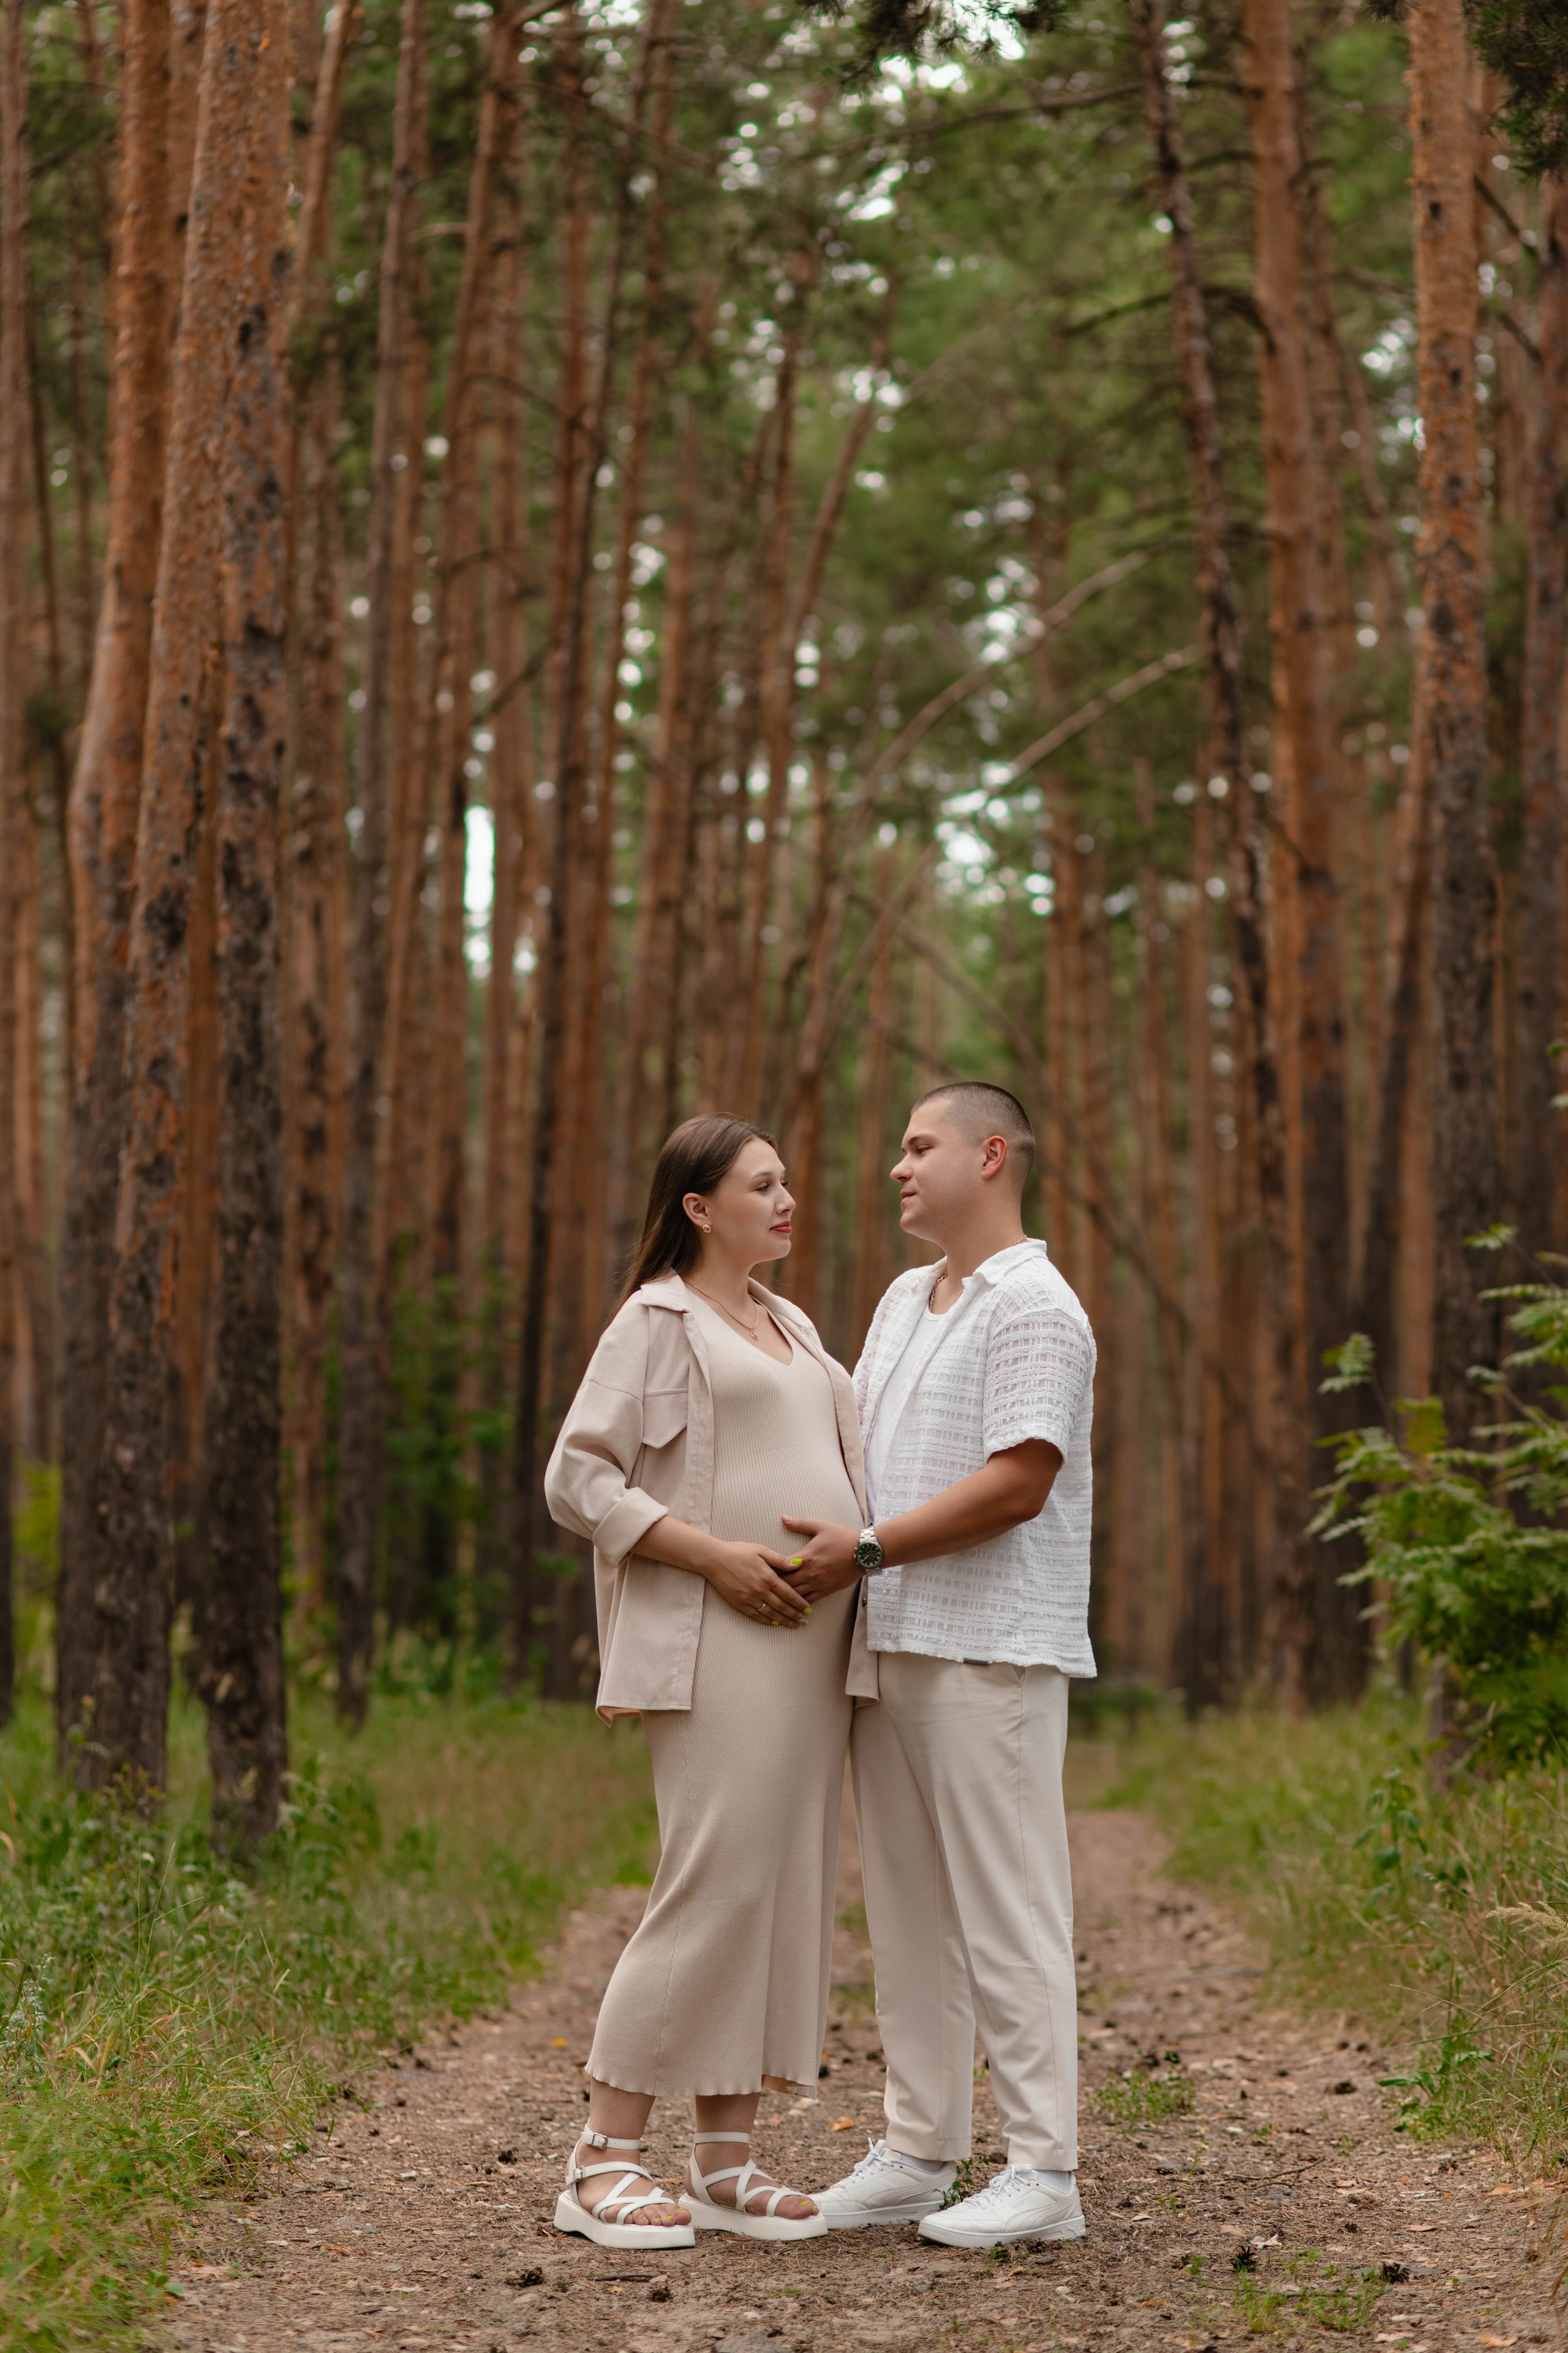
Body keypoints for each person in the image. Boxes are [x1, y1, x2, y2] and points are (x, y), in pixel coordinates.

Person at [542, 1114, 877, 2250]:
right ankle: (601, 2157)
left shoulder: (790, 1320)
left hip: (809, 1646)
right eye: (763, 1183)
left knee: (783, 1884)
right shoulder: (655, 1319)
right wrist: (715, 1555)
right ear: (698, 1205)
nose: (788, 1200)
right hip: (715, 1634)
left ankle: (725, 2161)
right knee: (711, 1878)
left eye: (789, 1181)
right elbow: (577, 1477)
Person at [783, 1082, 1096, 2248]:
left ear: (993, 1154)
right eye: (899, 1146)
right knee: (909, 1914)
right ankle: (921, 2150)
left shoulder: (1039, 1304)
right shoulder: (906, 1299)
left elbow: (1021, 1482)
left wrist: (863, 1549)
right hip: (892, 1641)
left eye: (921, 1146)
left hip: (992, 1648)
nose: (899, 1166)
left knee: (1009, 1907)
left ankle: (1046, 2173)